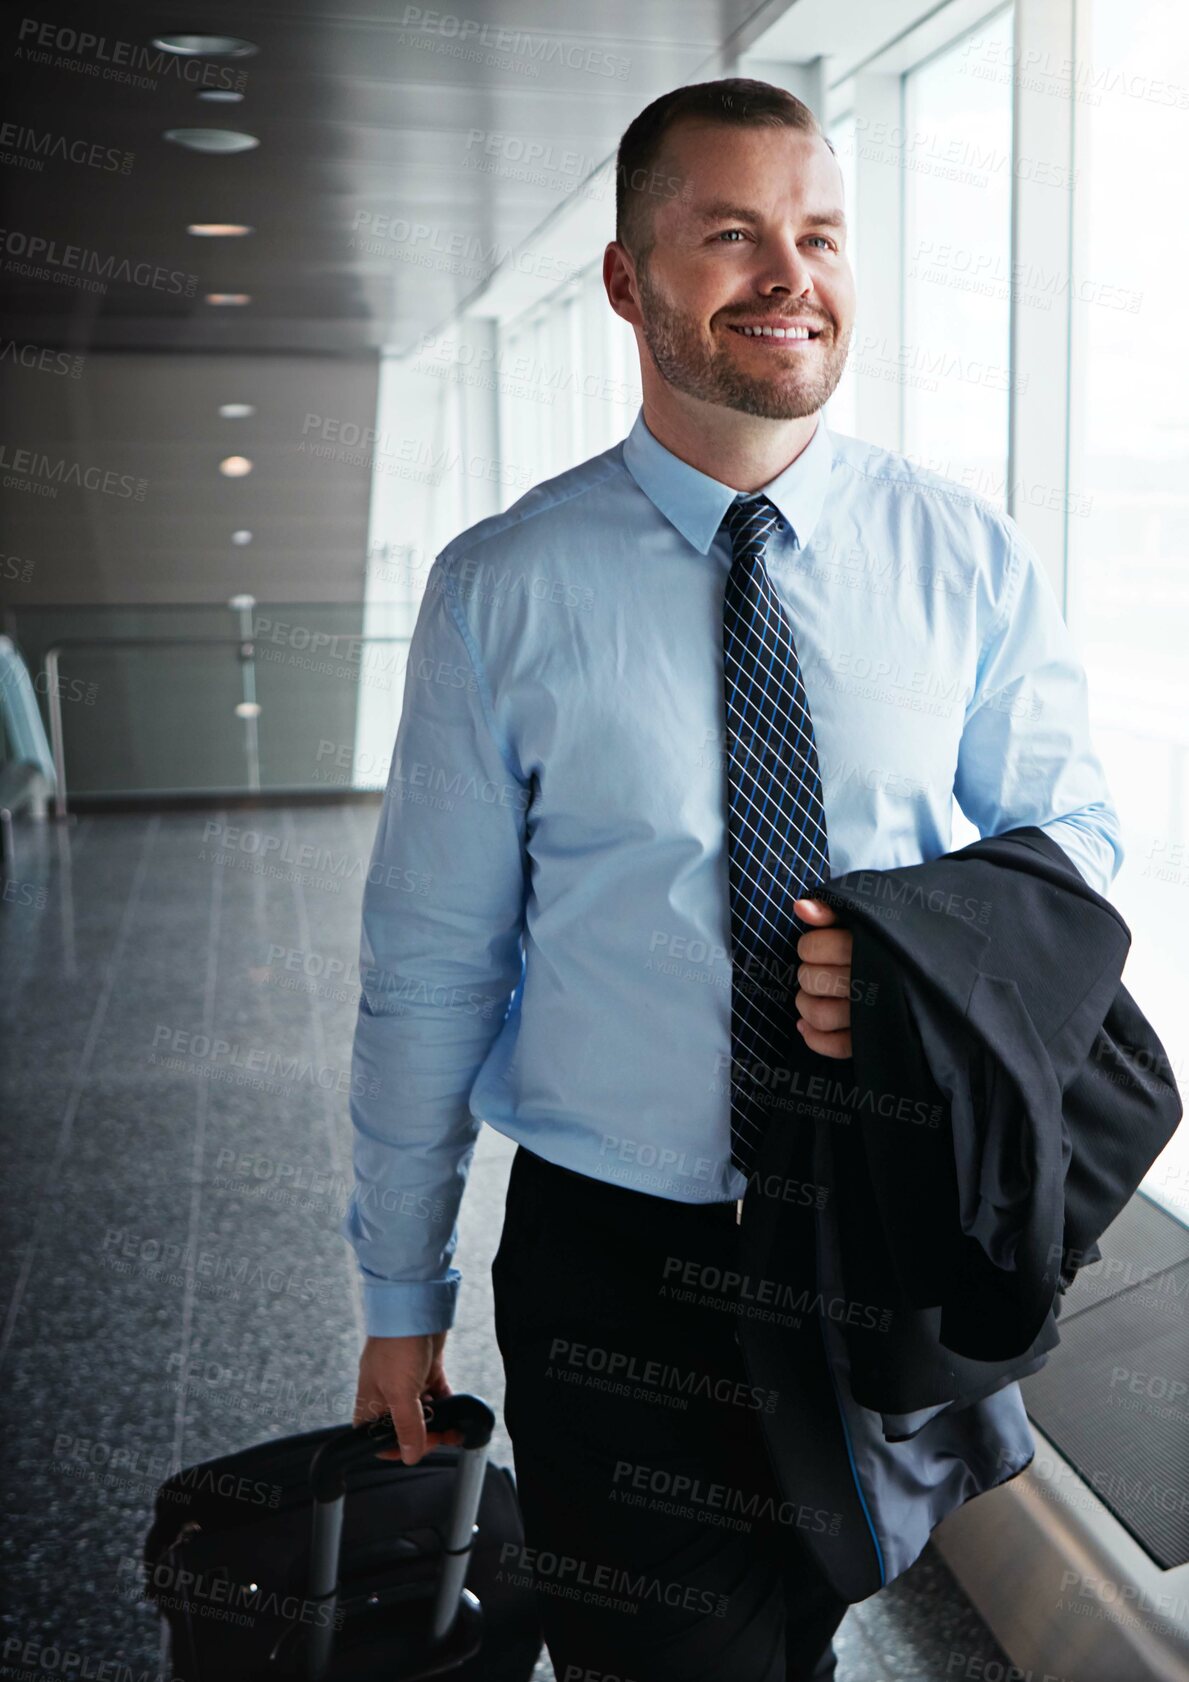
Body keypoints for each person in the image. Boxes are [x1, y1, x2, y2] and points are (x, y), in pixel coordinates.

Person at [343, 78, 1122, 1681]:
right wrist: (395, 1290)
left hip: (878, 1235)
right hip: (616, 1265)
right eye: (731, 236)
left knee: (812, 1624)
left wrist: (911, 946)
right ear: (630, 282)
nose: (790, 275)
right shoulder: (503, 590)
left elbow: (1081, 860)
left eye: (818, 233)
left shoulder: (961, 557)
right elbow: (431, 962)